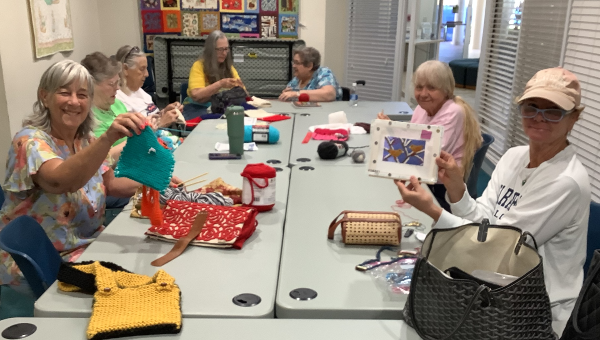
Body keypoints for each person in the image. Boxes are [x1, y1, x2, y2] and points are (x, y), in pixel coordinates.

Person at [395, 67, 590, 334]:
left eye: (553, 111)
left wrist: (432, 210)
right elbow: (486, 221)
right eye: (531, 107)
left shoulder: (565, 182)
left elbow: (498, 249)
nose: (539, 118)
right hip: (491, 291)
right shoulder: (513, 157)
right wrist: (456, 187)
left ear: (574, 117)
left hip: (533, 315)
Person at [0, 60, 181, 292]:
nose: (74, 101)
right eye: (65, 93)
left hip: (86, 248)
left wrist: (158, 179)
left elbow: (112, 184)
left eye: (82, 94)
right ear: (44, 96)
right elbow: (61, 180)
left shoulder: (84, 141)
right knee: (148, 288)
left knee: (158, 262)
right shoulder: (29, 142)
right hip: (46, 264)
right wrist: (108, 138)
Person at [378, 60, 481, 211]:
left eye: (431, 88)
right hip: (423, 177)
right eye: (419, 87)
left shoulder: (453, 111)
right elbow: (413, 140)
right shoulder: (421, 109)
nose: (423, 94)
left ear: (446, 90)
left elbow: (429, 154)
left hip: (443, 188)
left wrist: (392, 134)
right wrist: (391, 128)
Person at [115, 45, 182, 127]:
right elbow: (131, 136)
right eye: (142, 69)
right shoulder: (118, 100)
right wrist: (160, 124)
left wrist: (164, 112)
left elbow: (150, 116)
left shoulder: (140, 91)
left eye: (146, 69)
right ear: (125, 69)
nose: (147, 74)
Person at [184, 30, 244, 119]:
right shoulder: (198, 66)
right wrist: (220, 84)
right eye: (220, 49)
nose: (224, 53)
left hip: (221, 107)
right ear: (210, 50)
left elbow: (242, 90)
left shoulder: (229, 68)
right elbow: (196, 95)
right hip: (197, 108)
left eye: (226, 49)